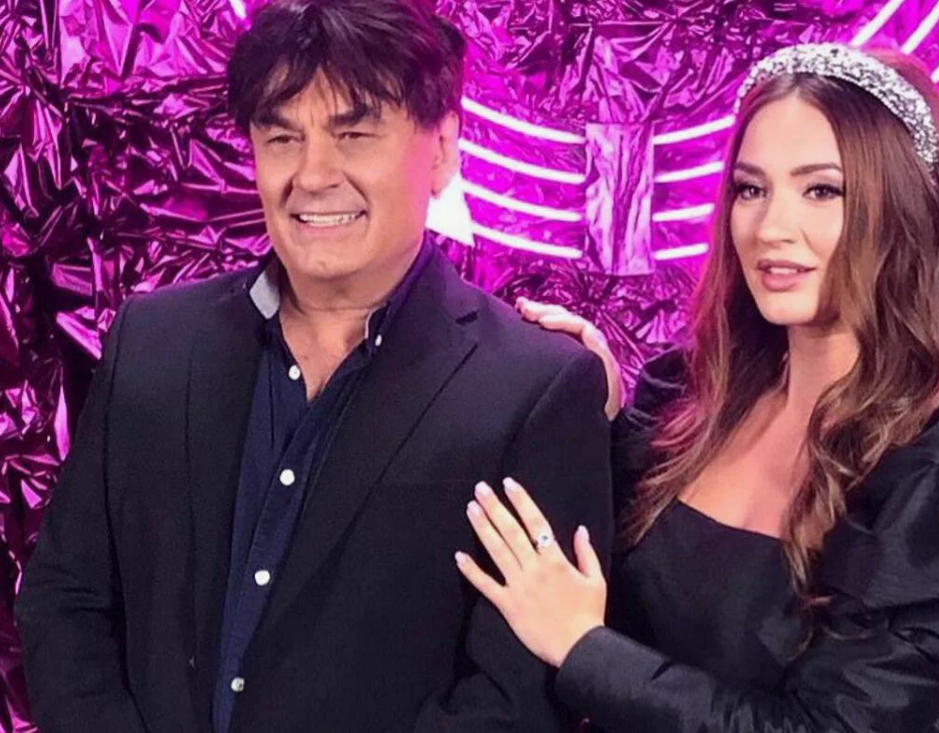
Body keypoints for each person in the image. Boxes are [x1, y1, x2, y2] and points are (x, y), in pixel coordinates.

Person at [15, 0, 613, 731]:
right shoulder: (154, 342)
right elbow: (66, 598)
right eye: (282, 137)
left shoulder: (534, 389)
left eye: (354, 134)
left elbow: (513, 700)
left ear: (442, 148)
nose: (313, 174)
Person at [454, 43, 939, 733]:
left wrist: (584, 649)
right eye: (751, 189)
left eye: (822, 190)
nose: (770, 229)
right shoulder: (688, 405)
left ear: (904, 209)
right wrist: (594, 414)